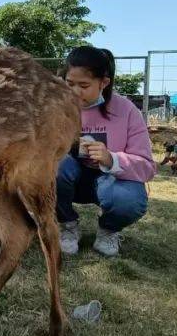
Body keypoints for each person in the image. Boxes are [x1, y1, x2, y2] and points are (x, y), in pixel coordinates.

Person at [56, 46, 155, 258]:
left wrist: (112, 159)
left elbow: (147, 166)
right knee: (53, 168)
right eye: (69, 83)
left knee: (130, 200)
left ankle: (109, 229)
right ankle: (67, 225)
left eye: (84, 85)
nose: (74, 92)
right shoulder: (57, 108)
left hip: (112, 180)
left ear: (104, 83)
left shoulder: (127, 110)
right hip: (69, 179)